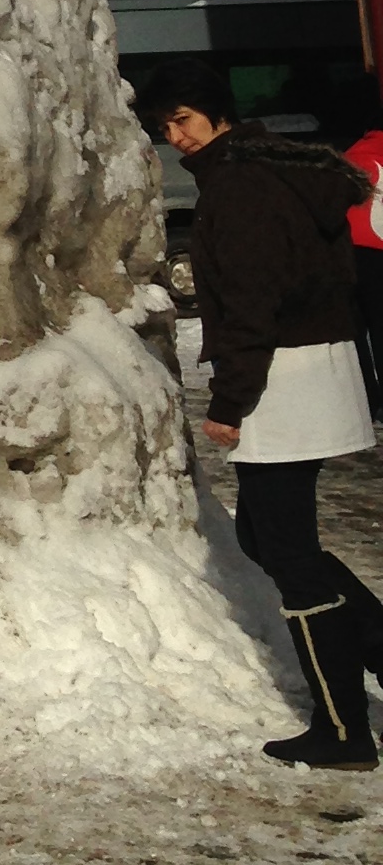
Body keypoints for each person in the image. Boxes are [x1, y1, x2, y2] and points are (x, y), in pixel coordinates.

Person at [143, 60, 382, 769]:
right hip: (319, 364)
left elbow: (251, 300)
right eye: (164, 126)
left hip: (283, 376)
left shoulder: (239, 187)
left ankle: (341, 728)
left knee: (288, 552)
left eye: (182, 120)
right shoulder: (269, 167)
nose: (174, 136)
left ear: (215, 114)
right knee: (266, 537)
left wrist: (230, 402)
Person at [339, 113, 383, 411]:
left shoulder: (349, 157)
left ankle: (366, 399)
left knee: (355, 331)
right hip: (379, 249)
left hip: (349, 252)